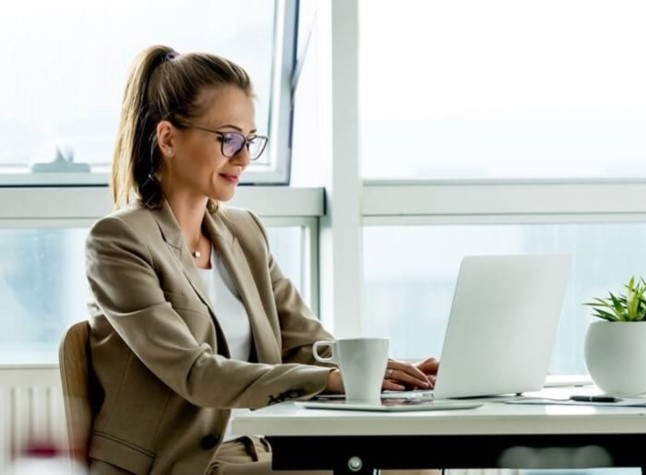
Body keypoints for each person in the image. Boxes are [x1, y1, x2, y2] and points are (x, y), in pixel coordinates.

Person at [84, 44, 439, 475]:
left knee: (416, 462)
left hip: (263, 450)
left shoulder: (244, 233)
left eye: (249, 140)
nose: (244, 157)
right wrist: (327, 381)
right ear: (168, 138)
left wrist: (386, 375)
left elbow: (307, 344)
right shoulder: (119, 240)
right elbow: (196, 373)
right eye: (229, 138)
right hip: (180, 462)